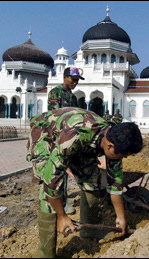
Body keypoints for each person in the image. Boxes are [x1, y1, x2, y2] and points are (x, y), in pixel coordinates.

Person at [26, 107, 143, 258]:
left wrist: (120, 217)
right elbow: (51, 182)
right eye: (123, 155)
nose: (123, 159)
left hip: (81, 141)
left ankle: (88, 233)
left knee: (92, 181)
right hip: (45, 133)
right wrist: (62, 216)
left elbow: (115, 183)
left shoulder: (115, 140)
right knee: (48, 196)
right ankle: (46, 254)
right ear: (110, 147)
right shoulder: (74, 138)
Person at [47, 66, 85, 215]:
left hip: (69, 137)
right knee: (58, 170)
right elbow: (55, 116)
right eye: (73, 79)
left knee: (65, 168)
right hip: (58, 136)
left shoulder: (73, 97)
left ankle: (63, 197)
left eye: (77, 81)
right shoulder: (55, 93)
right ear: (64, 77)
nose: (75, 83)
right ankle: (59, 202)